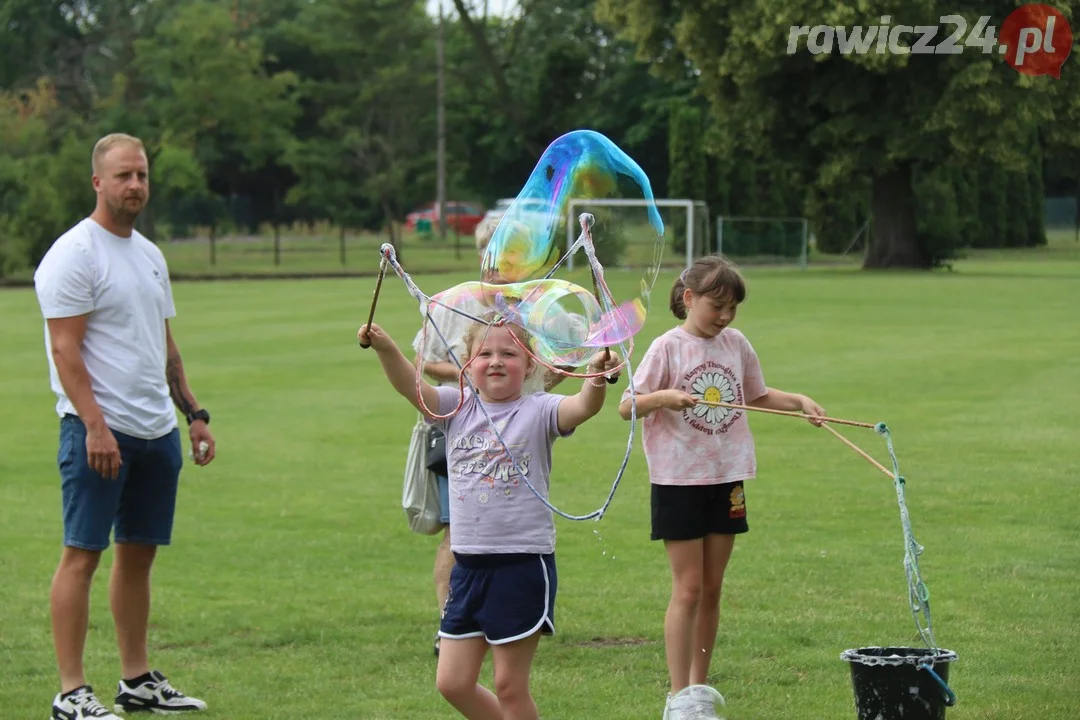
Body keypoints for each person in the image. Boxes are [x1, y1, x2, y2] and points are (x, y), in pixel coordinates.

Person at [33, 133, 215, 720]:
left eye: (141, 174)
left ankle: (136, 680)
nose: (134, 185)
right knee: (81, 555)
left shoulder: (149, 254)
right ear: (97, 182)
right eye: (122, 176)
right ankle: (70, 691)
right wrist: (95, 426)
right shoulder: (74, 253)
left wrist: (194, 415)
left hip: (155, 430)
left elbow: (164, 347)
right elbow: (66, 351)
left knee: (138, 557)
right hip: (98, 433)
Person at [360, 312, 620, 720]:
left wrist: (596, 378)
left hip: (520, 565)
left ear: (531, 364)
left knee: (509, 686)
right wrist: (386, 347)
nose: (496, 361)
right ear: (467, 364)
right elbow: (413, 388)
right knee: (452, 682)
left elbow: (583, 407)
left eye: (509, 353)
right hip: (467, 567)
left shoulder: (539, 410)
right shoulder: (456, 406)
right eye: (485, 353)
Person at [617, 255, 825, 720]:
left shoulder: (736, 344)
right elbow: (627, 406)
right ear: (689, 299)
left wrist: (800, 402)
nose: (726, 316)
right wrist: (663, 398)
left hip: (727, 477)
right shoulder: (667, 347)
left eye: (732, 308)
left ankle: (699, 688)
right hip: (679, 480)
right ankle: (678, 699)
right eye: (717, 306)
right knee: (688, 588)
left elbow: (758, 395)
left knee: (713, 588)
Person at [412, 217, 567, 657]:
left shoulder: (535, 308)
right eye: (495, 256)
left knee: (506, 514)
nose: (501, 267)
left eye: (514, 258)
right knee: (455, 528)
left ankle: (498, 618)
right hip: (460, 424)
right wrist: (477, 374)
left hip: (521, 424)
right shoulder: (458, 306)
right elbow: (427, 362)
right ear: (483, 256)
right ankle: (452, 623)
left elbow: (563, 361)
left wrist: (543, 374)